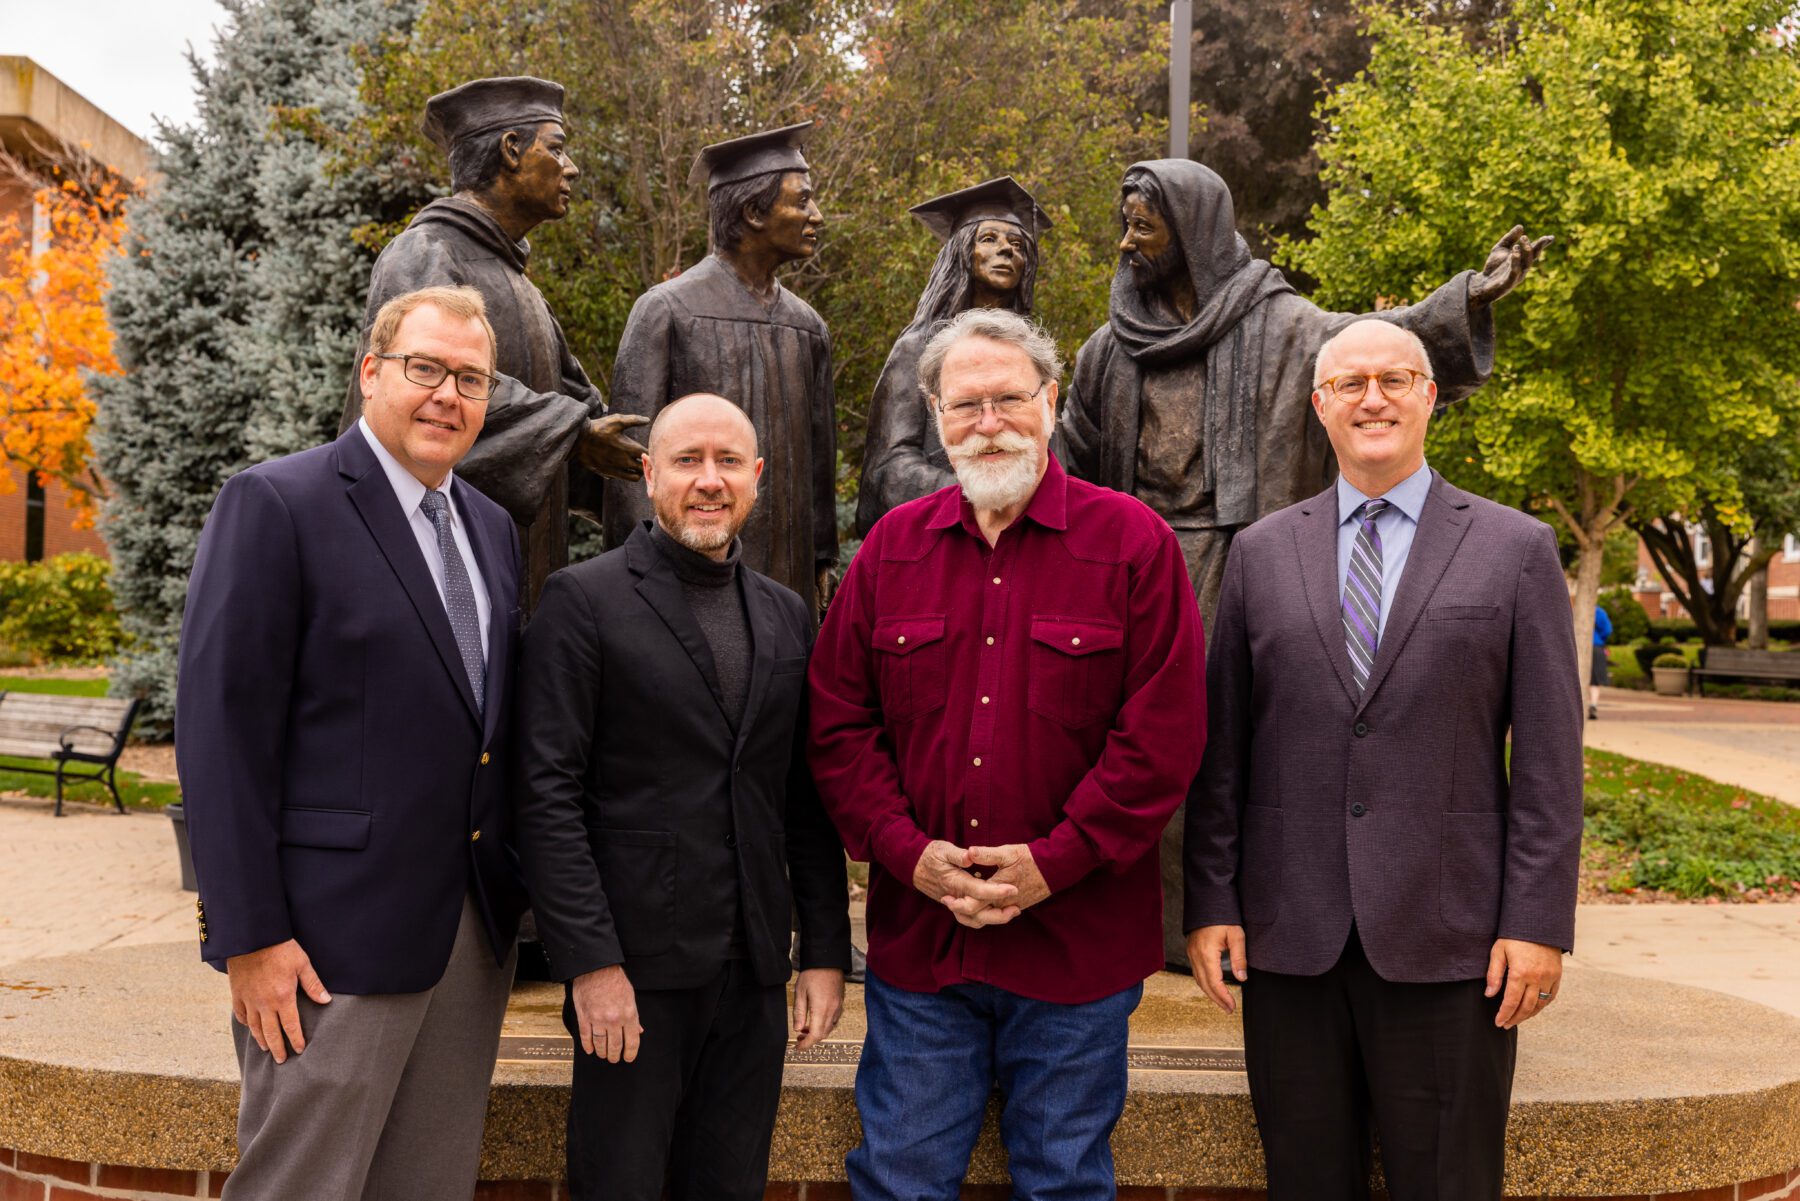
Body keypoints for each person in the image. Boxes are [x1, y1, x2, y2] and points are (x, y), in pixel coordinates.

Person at [1058, 157, 1550, 967]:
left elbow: (1374, 347)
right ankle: (1136, 919)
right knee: (1124, 743)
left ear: (1193, 228)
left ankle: (1214, 918)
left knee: (1222, 743)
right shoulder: (1109, 351)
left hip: (1234, 554)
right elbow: (1070, 459)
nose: (1127, 242)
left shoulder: (1280, 326)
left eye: (1144, 226)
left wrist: (1466, 298)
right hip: (1131, 570)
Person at [809, 308, 1207, 1200]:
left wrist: (1053, 863)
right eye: (965, 406)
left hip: (1077, 953)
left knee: (1064, 1183)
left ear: (1051, 401)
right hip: (924, 957)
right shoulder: (890, 552)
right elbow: (838, 723)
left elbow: (1163, 738)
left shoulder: (1133, 544)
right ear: (938, 420)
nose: (987, 422)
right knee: (900, 1181)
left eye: (1007, 399)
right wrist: (909, 857)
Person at [1184, 319, 1583, 1201]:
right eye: (1351, 383)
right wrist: (1211, 899)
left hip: (1455, 941)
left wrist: (1540, 921)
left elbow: (1552, 762)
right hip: (1292, 940)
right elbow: (1224, 754)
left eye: (1395, 379)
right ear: (1320, 405)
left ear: (1429, 396)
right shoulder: (1259, 552)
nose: (1374, 398)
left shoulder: (1515, 550)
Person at [177, 286, 528, 1201]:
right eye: (425, 369)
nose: (447, 394)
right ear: (372, 373)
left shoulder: (492, 530)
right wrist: (250, 935)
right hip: (327, 947)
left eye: (470, 379)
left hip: (468, 940)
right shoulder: (277, 503)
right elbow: (221, 733)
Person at [513, 393, 851, 1201]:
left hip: (754, 970)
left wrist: (826, 950)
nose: (709, 480)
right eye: (688, 461)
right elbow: (545, 793)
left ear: (757, 478)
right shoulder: (583, 600)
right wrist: (590, 964)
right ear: (648, 472)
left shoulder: (785, 614)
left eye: (728, 462)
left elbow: (802, 797)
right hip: (633, 972)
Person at [339, 76, 647, 607]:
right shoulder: (424, 251)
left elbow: (581, 404)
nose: (571, 168)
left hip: (526, 576)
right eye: (557, 148)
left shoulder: (521, 285)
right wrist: (574, 433)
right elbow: (429, 380)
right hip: (432, 576)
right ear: (510, 150)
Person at [603, 122, 837, 616]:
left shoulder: (808, 327)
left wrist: (821, 557)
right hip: (683, 583)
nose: (816, 216)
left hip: (788, 581)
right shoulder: (665, 311)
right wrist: (635, 586)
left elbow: (819, 462)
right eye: (802, 202)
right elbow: (629, 468)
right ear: (753, 212)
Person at [855, 176, 1052, 535]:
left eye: (1018, 244)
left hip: (1029, 535)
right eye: (988, 239)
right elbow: (889, 467)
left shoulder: (1031, 354)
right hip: (948, 532)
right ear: (963, 253)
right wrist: (982, 495)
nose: (1007, 250)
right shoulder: (917, 347)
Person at [1591, 603, 1614, 719]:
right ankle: (1593, 704)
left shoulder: (1575, 609)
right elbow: (1607, 630)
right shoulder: (1599, 612)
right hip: (1596, 647)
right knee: (1595, 681)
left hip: (1578, 647)